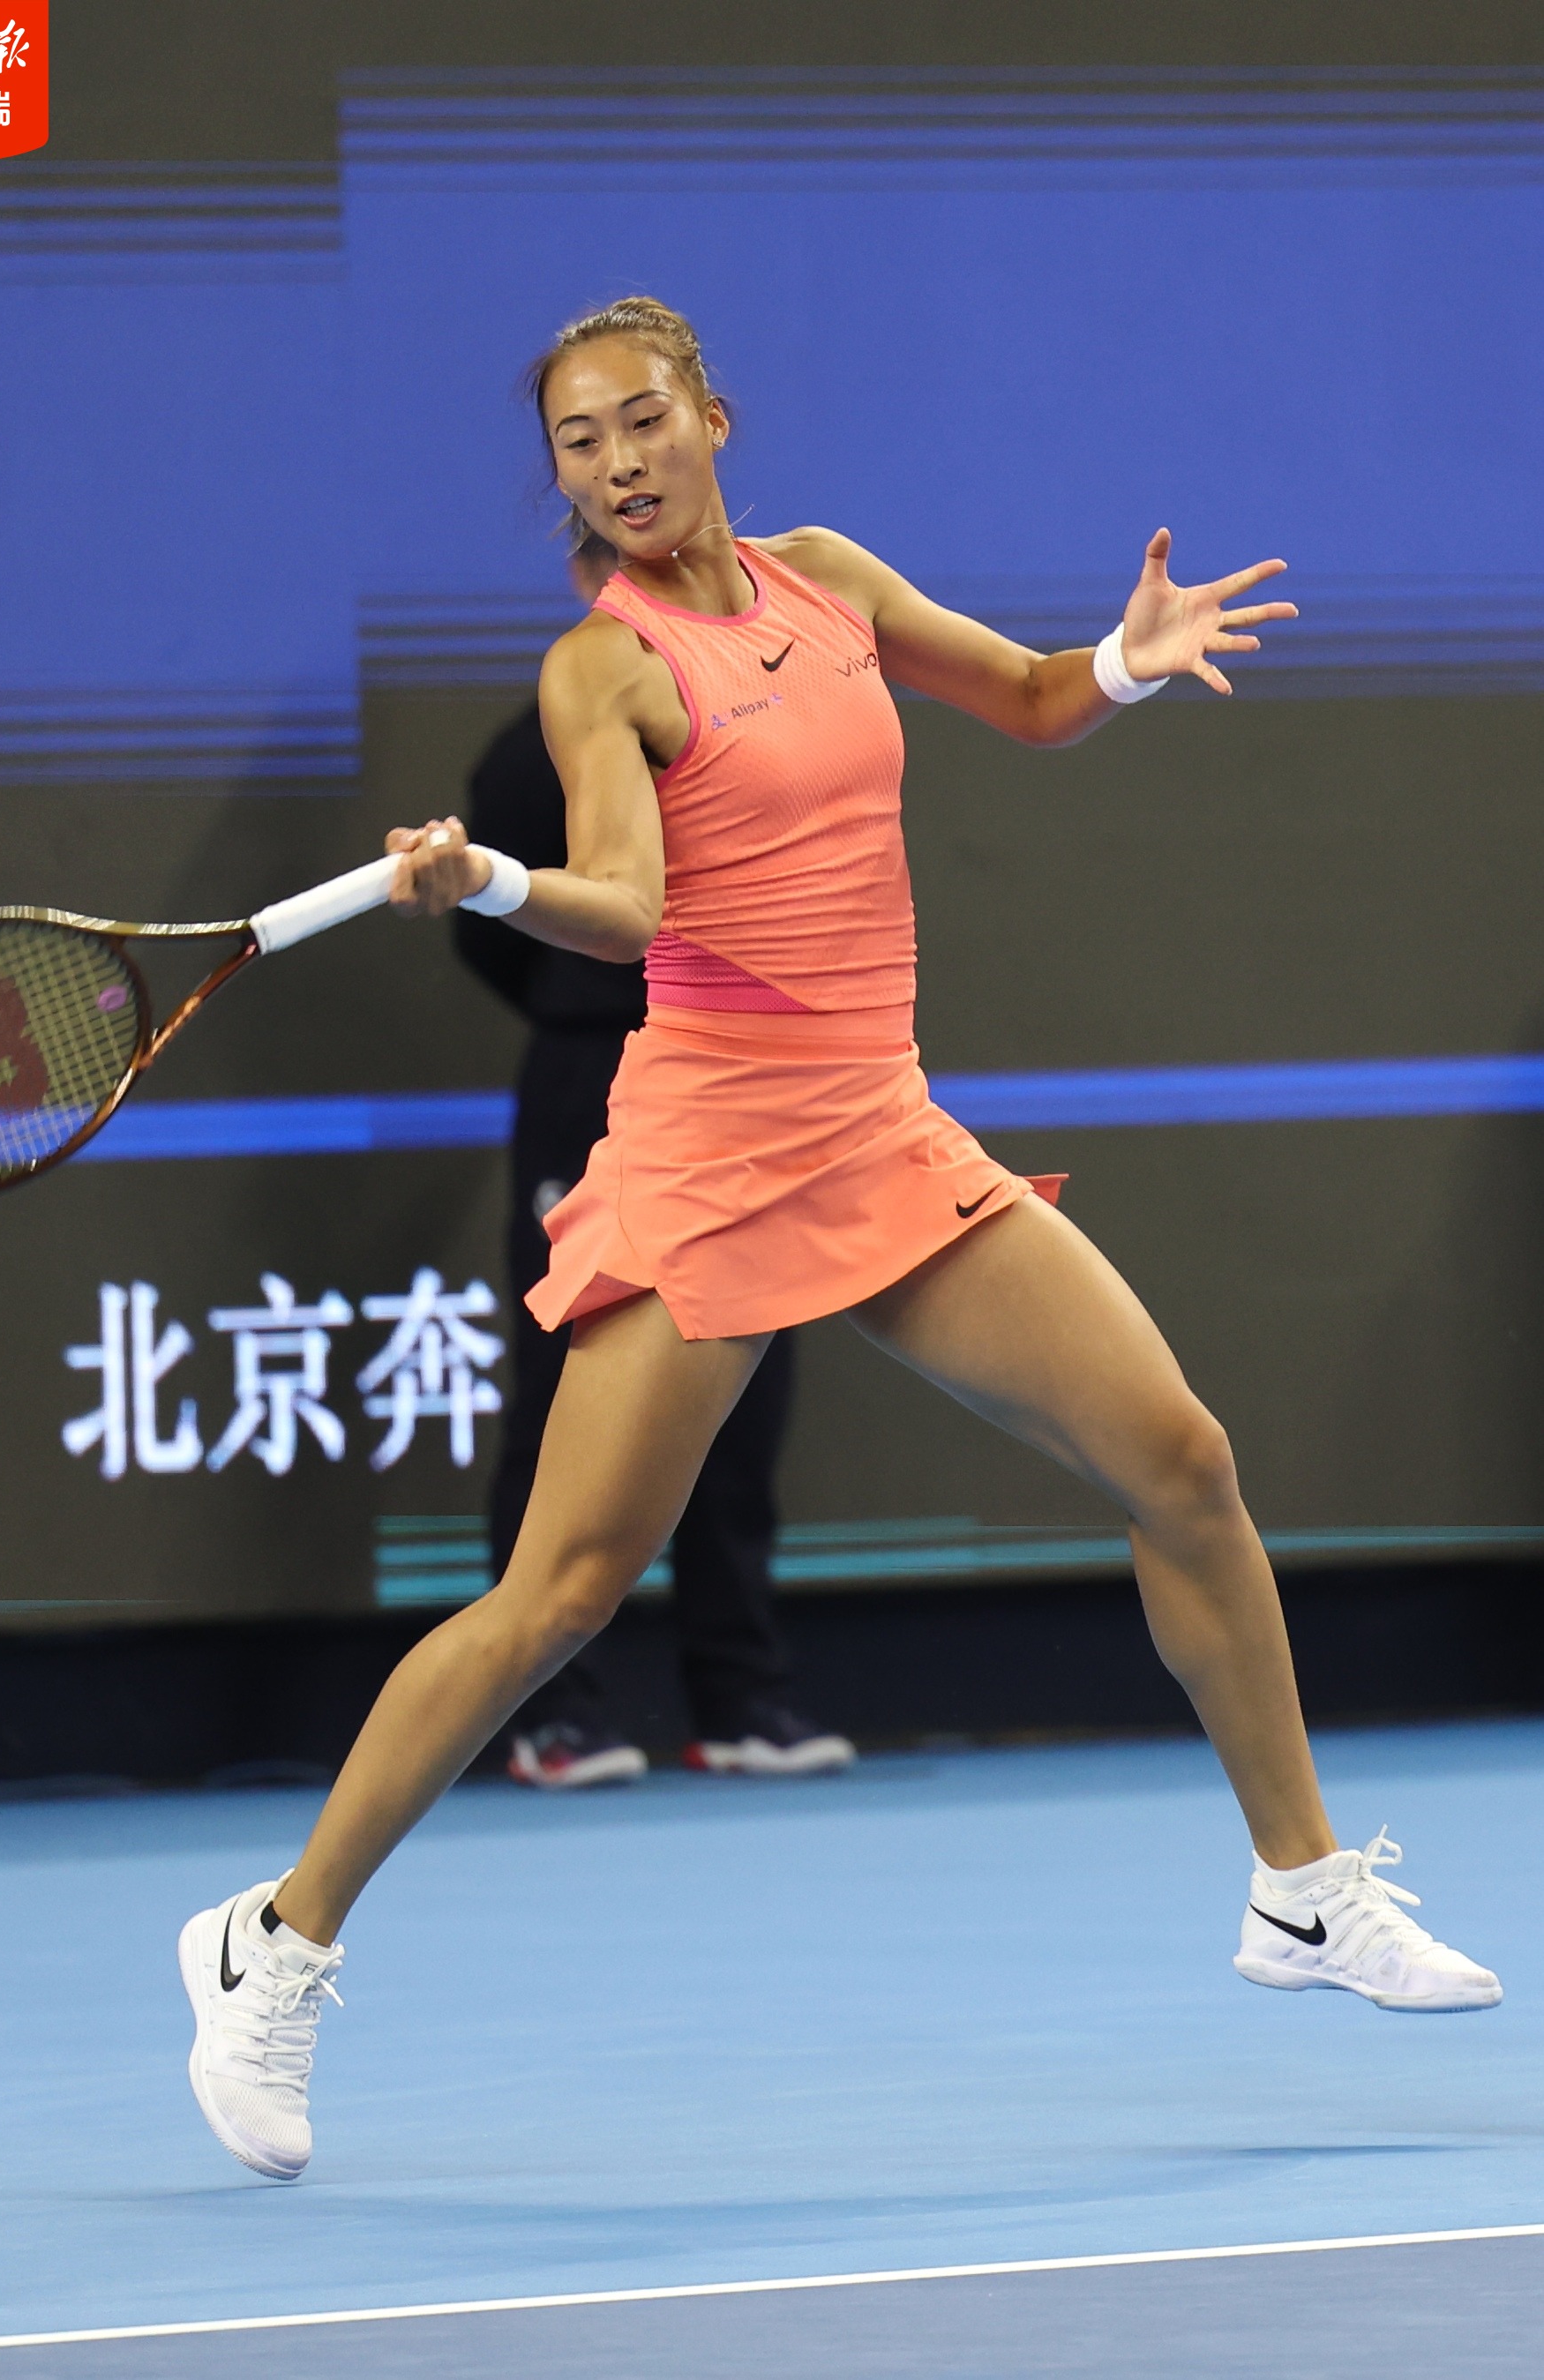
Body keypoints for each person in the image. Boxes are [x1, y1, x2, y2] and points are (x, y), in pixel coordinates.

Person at [181, 296, 1500, 2182]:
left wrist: (1122, 664)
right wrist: (489, 877)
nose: (618, 463)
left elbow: (1029, 695)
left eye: (644, 419)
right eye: (577, 442)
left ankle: (1300, 1885)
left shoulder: (829, 579)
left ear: (713, 416)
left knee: (1182, 1459)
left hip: (879, 1129)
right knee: (561, 1595)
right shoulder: (601, 668)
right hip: (713, 1157)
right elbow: (627, 906)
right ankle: (276, 1941)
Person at [453, 584, 854, 1789]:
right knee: (568, 1390)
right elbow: (498, 935)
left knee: (747, 1382)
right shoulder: (536, 748)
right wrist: (596, 1014)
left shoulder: (767, 721)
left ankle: (740, 1694)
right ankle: (552, 1712)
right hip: (594, 1078)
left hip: (747, 1082)